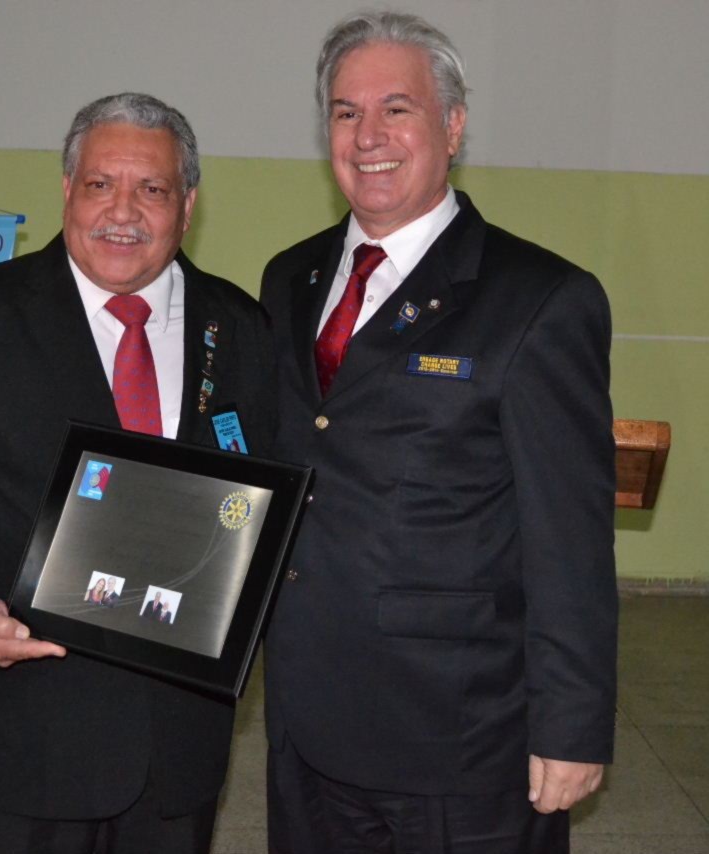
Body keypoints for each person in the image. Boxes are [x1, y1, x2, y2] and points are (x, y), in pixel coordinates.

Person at [0, 92, 275, 854]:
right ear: (66, 190)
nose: (123, 212)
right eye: (99, 184)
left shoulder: (242, 326)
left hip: (176, 746)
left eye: (151, 189)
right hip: (22, 735)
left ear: (187, 204)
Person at [260, 11, 617, 854]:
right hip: (307, 720)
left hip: (460, 736)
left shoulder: (538, 299)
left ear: (452, 127)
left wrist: (571, 724)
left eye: (398, 109)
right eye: (346, 112)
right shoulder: (289, 278)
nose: (368, 136)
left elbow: (568, 536)